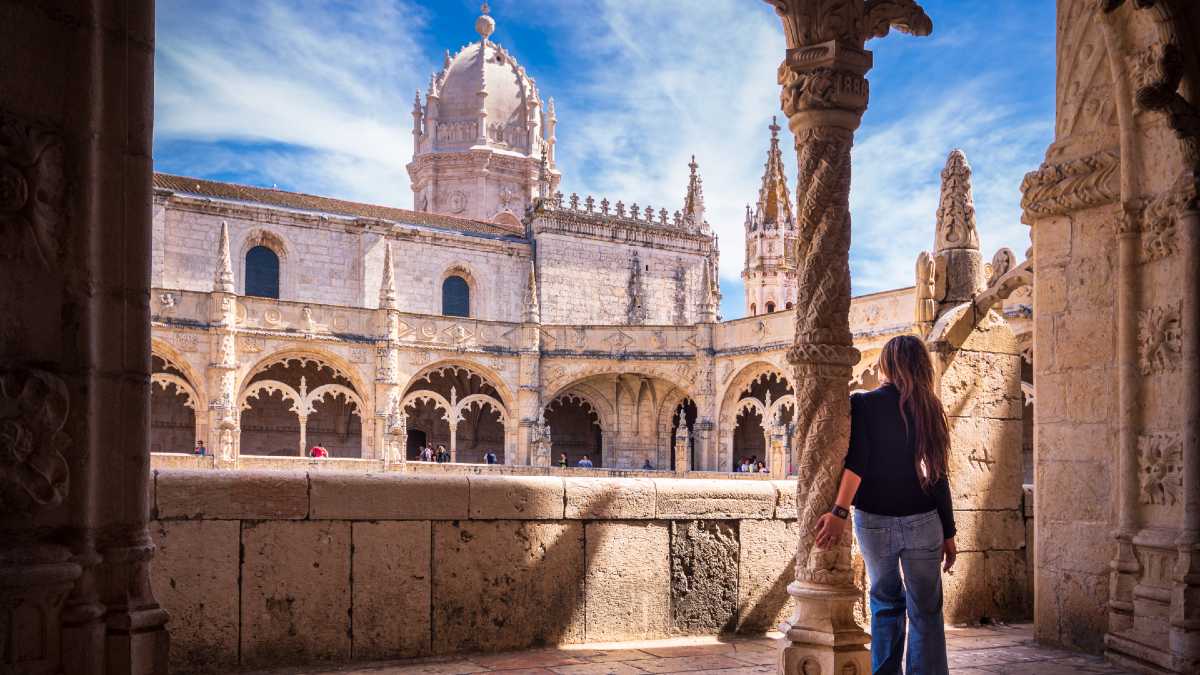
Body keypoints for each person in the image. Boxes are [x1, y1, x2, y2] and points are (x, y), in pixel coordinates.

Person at [812, 334, 957, 675]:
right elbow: (938, 476)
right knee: (926, 611)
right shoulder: (930, 407)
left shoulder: (864, 403)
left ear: (887, 365)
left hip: (874, 520)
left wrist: (838, 512)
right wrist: (948, 533)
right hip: (924, 521)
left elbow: (857, 464)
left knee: (885, 605)